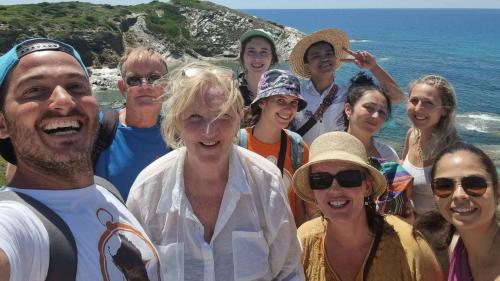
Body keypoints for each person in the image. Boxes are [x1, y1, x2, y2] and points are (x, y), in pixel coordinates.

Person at [0, 38, 161, 280]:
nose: (64, 100)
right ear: (3, 124)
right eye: (34, 90)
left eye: (76, 87)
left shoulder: (106, 193)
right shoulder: (15, 224)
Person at [126, 62, 304, 280]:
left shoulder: (266, 182)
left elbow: (289, 272)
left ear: (239, 117)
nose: (209, 130)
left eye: (223, 116)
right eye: (195, 117)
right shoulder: (147, 190)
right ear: (176, 121)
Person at [292, 131, 444, 281]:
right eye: (321, 180)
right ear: (313, 191)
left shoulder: (410, 245)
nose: (335, 190)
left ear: (368, 187)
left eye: (348, 178)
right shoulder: (303, 241)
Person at [288, 28, 404, 145]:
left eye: (329, 54)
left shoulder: (349, 93)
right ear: (307, 67)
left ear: (335, 59)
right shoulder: (296, 94)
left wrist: (373, 67)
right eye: (316, 56)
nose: (324, 58)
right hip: (302, 161)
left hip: (340, 159)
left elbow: (397, 97)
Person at [94, 47, 170, 200]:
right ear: (123, 88)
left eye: (154, 78)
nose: (144, 86)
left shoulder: (179, 133)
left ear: (167, 85)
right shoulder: (98, 128)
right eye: (134, 80)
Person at [240, 69, 313, 226]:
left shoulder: (298, 147)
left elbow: (299, 201)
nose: (288, 109)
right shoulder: (237, 142)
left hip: (284, 241)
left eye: (293, 102)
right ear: (262, 102)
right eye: (280, 100)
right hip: (244, 240)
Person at [417, 142, 500, 280]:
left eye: (474, 184)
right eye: (444, 186)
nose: (458, 195)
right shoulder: (451, 249)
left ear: (497, 193)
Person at [402, 75, 458, 216]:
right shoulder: (412, 135)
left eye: (428, 103)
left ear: (445, 110)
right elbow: (403, 166)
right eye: (414, 101)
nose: (418, 108)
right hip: (406, 220)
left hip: (435, 229)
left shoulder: (453, 150)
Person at [343, 72, 398, 162]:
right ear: (348, 109)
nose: (376, 116)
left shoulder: (388, 155)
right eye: (369, 107)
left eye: (382, 112)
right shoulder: (327, 148)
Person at [238, 28, 279, 106]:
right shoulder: (229, 90)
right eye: (251, 51)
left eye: (264, 52)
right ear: (242, 56)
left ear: (272, 58)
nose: (257, 59)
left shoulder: (281, 92)